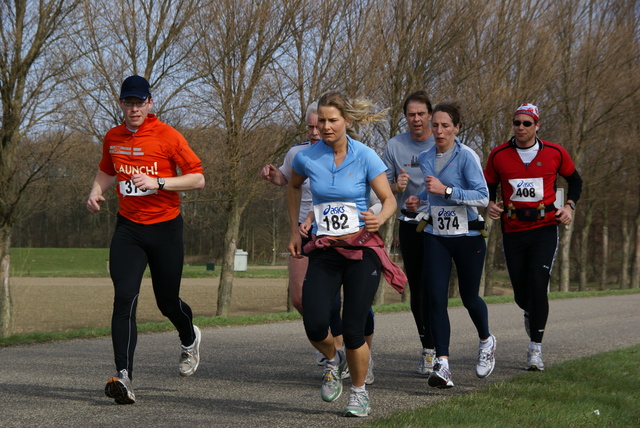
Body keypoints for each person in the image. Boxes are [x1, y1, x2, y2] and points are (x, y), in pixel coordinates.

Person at [86, 75, 205, 404]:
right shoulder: (113, 137)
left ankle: (189, 336)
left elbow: (197, 178)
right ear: (121, 103)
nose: (134, 108)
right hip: (129, 229)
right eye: (129, 102)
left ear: (150, 103)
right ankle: (123, 376)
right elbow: (107, 170)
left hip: (166, 228)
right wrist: (96, 192)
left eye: (140, 102)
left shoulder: (168, 136)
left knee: (168, 302)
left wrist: (159, 183)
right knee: (124, 298)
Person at [288, 91, 404, 417]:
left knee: (354, 328)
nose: (325, 126)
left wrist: (378, 217)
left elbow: (388, 198)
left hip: (361, 249)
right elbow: (293, 186)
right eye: (321, 120)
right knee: (314, 324)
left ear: (347, 121)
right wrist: (295, 228)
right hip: (325, 250)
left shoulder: (365, 156)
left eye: (332, 120)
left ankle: (358, 391)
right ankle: (331, 358)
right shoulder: (308, 157)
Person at [483, 103, 582, 371]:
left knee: (539, 285)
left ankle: (535, 349)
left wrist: (569, 206)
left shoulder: (555, 152)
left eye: (527, 123)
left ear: (537, 126)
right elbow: (488, 186)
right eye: (517, 123)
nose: (521, 128)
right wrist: (490, 204)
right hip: (513, 230)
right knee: (521, 294)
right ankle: (530, 310)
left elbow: (576, 181)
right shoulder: (499, 155)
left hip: (544, 228)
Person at [405, 102, 495, 389]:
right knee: (435, 298)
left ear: (457, 128)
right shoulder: (425, 156)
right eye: (436, 125)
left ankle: (486, 340)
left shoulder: (466, 156)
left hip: (467, 236)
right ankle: (442, 364)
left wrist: (446, 190)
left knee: (469, 297)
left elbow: (482, 197)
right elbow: (429, 190)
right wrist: (417, 200)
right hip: (436, 234)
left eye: (446, 126)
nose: (439, 131)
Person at [382, 90, 436, 375]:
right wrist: (396, 187)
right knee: (418, 287)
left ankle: (442, 349)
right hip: (410, 222)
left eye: (421, 114)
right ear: (405, 117)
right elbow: (381, 186)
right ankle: (428, 348)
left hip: (441, 223)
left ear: (430, 115)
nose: (416, 119)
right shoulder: (394, 145)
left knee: (435, 286)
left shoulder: (442, 141)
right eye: (411, 114)